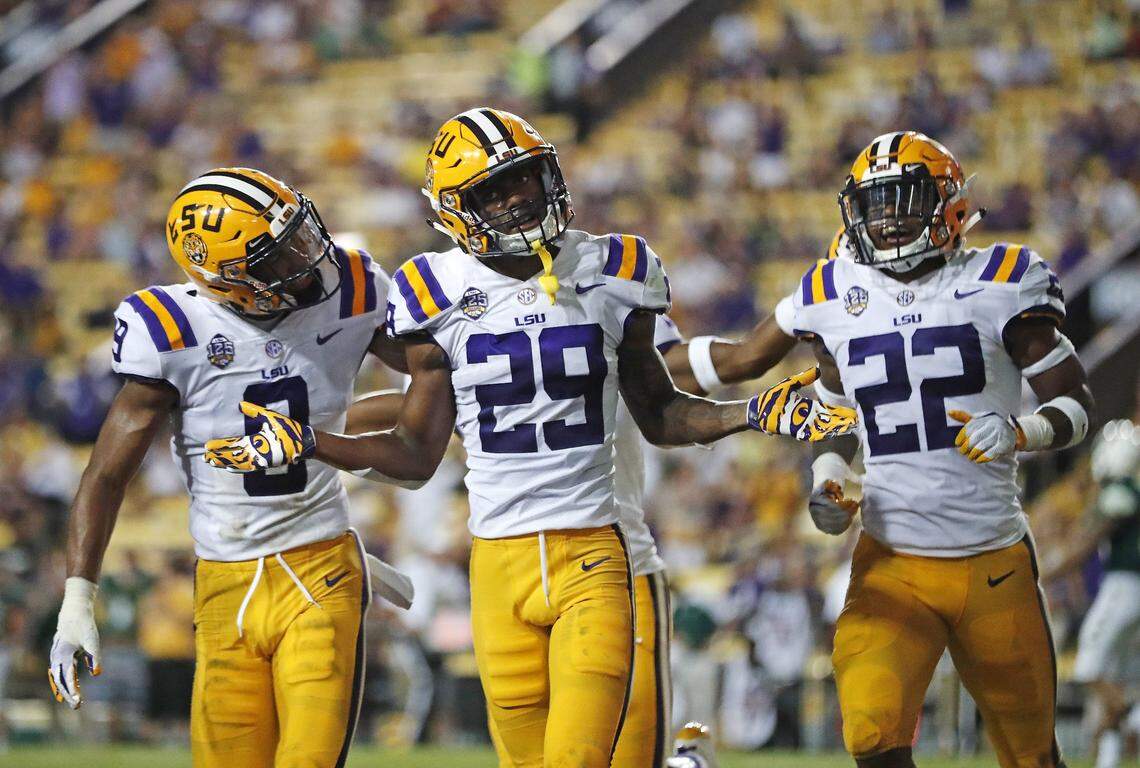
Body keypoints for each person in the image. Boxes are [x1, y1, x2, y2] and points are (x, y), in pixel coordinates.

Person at [202, 108, 857, 768]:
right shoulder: (431, 288)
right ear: (457, 209)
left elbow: (660, 407)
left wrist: (754, 412)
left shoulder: (616, 269)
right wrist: (311, 442)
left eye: (524, 179)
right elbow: (413, 444)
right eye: (493, 190)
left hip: (600, 552)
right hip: (496, 566)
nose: (516, 198)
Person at [47, 167, 412, 768]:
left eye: (297, 233)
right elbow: (106, 476)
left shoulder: (351, 288)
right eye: (277, 254)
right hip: (225, 577)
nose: (306, 255)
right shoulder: (171, 330)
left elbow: (434, 379)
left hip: (321, 563)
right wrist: (77, 599)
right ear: (223, 277)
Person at [773, 131, 1095, 768]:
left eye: (902, 199)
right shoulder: (839, 294)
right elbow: (837, 412)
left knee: (1031, 756)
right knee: (871, 734)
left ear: (947, 203)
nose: (886, 217)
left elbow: (1078, 400)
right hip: (892, 559)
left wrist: (1022, 431)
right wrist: (831, 473)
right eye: (874, 203)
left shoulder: (1001, 279)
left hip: (991, 561)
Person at [1043, 418, 1140, 768]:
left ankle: (1131, 712)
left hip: (1126, 587)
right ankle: (1109, 760)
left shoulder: (1121, 491)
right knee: (1116, 675)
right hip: (1128, 589)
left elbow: (1085, 544)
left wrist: (1046, 573)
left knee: (1088, 669)